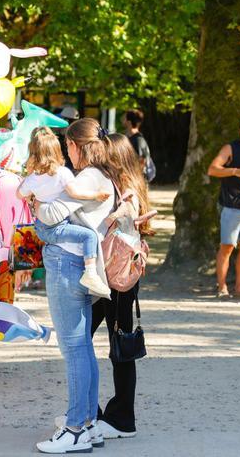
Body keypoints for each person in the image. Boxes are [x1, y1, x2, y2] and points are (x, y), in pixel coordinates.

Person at [34, 118, 116, 454]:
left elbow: (52, 215)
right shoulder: (104, 174)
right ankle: (87, 423)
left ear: (73, 145)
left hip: (66, 264)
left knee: (74, 348)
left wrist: (35, 199)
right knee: (82, 347)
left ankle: (76, 427)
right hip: (79, 264)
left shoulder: (87, 176)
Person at [84, 133, 155, 440]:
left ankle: (120, 417)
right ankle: (100, 412)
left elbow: (130, 211)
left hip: (117, 278)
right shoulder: (125, 182)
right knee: (99, 341)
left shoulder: (125, 187)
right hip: (117, 276)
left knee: (119, 346)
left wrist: (118, 213)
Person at [17, 127, 112, 298]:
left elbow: (19, 194)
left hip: (41, 228)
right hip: (57, 226)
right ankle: (91, 273)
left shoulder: (32, 179)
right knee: (89, 236)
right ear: (57, 150)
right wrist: (96, 195)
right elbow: (76, 194)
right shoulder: (63, 173)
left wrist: (32, 195)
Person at [206, 114, 240, 298]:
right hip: (231, 206)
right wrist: (234, 171)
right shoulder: (230, 148)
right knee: (227, 247)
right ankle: (222, 287)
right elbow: (212, 169)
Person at [123, 109, 155, 182]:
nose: (122, 120)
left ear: (129, 122)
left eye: (124, 118)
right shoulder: (128, 138)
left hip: (136, 179)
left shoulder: (138, 140)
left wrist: (136, 180)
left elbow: (142, 161)